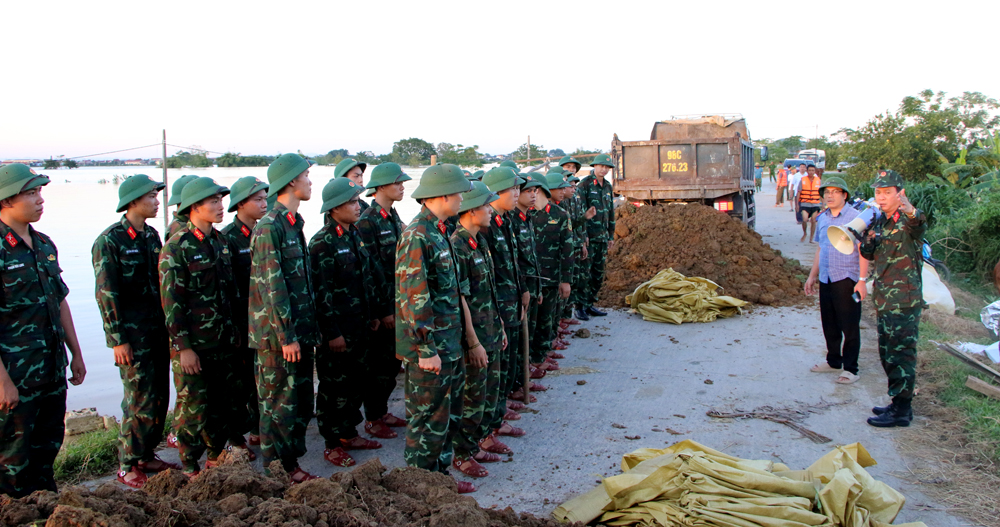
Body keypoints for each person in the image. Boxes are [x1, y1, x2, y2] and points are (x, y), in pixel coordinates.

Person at [0, 164, 87, 498]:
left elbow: (60, 302)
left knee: (46, 451)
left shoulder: (43, 243)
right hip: (15, 376)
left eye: (40, 192)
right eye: (31, 193)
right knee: (12, 462)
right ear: (7, 199)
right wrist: (3, 382)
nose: (40, 200)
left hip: (50, 368)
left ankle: (46, 510)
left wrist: (76, 354)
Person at [92, 174, 178, 489]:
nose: (157, 202)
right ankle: (127, 463)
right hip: (132, 335)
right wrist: (118, 340)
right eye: (151, 197)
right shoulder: (110, 240)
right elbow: (106, 294)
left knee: (158, 396)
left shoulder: (151, 237)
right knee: (138, 397)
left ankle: (146, 454)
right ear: (133, 201)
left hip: (156, 330)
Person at [395, 164, 475, 493]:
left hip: (448, 343)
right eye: (457, 194)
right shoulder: (417, 235)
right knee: (426, 420)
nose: (461, 200)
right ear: (442, 196)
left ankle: (439, 478)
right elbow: (414, 298)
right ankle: (418, 487)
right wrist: (425, 349)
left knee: (445, 418)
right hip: (431, 350)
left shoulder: (439, 230)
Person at [159, 177, 241, 478]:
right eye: (213, 202)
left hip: (221, 342)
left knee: (221, 404)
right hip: (194, 345)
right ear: (195, 206)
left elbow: (229, 293)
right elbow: (172, 303)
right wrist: (184, 348)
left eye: (221, 201)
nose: (220, 207)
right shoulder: (176, 247)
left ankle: (217, 457)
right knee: (193, 407)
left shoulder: (220, 242)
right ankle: (189, 466)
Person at [249, 154, 322, 482]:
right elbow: (272, 286)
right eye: (306, 175)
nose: (310, 181)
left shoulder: (295, 224)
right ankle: (278, 470)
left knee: (299, 402)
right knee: (279, 403)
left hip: (299, 333)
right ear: (292, 181)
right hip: (279, 338)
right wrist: (286, 336)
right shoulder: (269, 227)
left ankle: (290, 462)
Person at [309, 177, 388, 468]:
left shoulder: (355, 234)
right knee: (334, 388)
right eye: (352, 202)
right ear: (334, 207)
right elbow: (321, 294)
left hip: (360, 327)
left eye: (358, 201)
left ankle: (348, 432)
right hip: (338, 332)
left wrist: (374, 315)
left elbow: (366, 278)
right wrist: (331, 333)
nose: (358, 207)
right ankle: (332, 442)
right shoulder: (322, 243)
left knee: (356, 383)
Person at [449, 181, 508, 480]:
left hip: (490, 331)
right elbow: (460, 299)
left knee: (489, 392)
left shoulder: (479, 241)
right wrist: (473, 342)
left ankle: (480, 440)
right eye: (486, 206)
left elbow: (489, 291)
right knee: (472, 397)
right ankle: (462, 454)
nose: (490, 211)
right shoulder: (457, 245)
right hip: (474, 337)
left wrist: (498, 327)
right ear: (471, 211)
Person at [860, 170, 926, 428]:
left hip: (904, 301)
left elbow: (918, 222)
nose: (882, 197)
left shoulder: (908, 220)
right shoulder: (881, 221)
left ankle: (901, 410)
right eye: (878, 192)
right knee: (888, 354)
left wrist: (909, 209)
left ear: (900, 194)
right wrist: (866, 239)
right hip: (885, 298)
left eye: (888, 192)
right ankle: (897, 402)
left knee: (902, 355)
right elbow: (870, 253)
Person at [355, 163, 411, 439]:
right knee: (379, 365)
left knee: (391, 364)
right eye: (397, 183)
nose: (402, 187)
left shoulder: (391, 216)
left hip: (398, 303)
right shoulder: (368, 221)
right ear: (380, 187)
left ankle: (382, 410)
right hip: (385, 307)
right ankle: (373, 417)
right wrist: (383, 309)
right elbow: (370, 271)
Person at [481, 168, 528, 452]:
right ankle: (491, 422)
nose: (518, 194)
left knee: (506, 360)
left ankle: (498, 414)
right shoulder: (485, 226)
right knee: (495, 366)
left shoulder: (505, 220)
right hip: (494, 307)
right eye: (512, 189)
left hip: (510, 300)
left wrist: (522, 288)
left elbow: (512, 260)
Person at [220, 176, 269, 450]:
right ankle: (235, 438)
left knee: (257, 381)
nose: (264, 204)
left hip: (260, 322)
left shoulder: (264, 232)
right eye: (258, 199)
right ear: (240, 204)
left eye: (265, 199)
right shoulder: (228, 238)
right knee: (238, 384)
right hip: (240, 323)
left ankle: (256, 428)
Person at [804, 177, 868, 385]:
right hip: (827, 277)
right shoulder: (822, 218)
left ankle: (851, 368)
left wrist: (861, 280)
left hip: (847, 277)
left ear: (844, 195)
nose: (829, 196)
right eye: (826, 192)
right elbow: (821, 248)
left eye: (835, 192)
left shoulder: (856, 218)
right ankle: (833, 361)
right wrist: (812, 276)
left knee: (849, 324)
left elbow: (863, 251)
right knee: (829, 322)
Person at [509, 174, 545, 403]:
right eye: (527, 191)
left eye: (535, 191)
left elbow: (531, 256)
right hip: (517, 289)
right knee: (515, 343)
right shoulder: (509, 220)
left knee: (526, 335)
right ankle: (515, 385)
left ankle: (522, 377)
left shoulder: (526, 218)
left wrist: (537, 288)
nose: (533, 195)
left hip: (529, 286)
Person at [531, 172, 572, 368]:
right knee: (534, 323)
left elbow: (567, 250)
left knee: (548, 318)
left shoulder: (560, 215)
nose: (532, 194)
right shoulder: (524, 215)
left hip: (551, 277)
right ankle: (536, 359)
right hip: (531, 279)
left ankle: (542, 355)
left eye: (534, 190)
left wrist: (566, 280)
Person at [579, 154, 615, 318]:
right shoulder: (584, 185)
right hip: (589, 237)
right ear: (595, 166)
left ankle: (591, 303)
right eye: (601, 166)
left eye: (607, 167)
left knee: (598, 273)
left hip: (602, 237)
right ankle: (581, 307)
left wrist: (611, 236)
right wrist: (583, 236)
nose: (604, 169)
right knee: (585, 273)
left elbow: (611, 213)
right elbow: (580, 213)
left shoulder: (607, 186)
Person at [796, 165, 823, 242]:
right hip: (805, 203)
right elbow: (798, 193)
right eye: (810, 170)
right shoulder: (803, 180)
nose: (811, 172)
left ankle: (811, 238)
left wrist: (823, 204)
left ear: (815, 171)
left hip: (815, 204)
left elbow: (821, 194)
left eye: (813, 170)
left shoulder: (818, 180)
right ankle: (805, 233)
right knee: (804, 219)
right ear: (807, 171)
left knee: (813, 220)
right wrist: (797, 204)